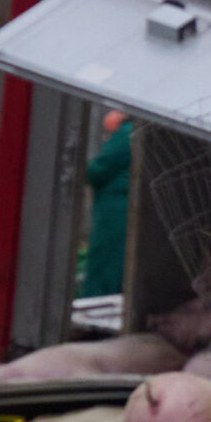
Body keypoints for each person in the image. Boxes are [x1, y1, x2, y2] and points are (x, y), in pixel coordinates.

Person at [80, 110, 132, 300]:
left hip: (114, 215)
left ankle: (95, 308)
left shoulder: (125, 135)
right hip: (120, 211)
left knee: (106, 264)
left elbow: (99, 169)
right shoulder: (132, 133)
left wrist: (78, 166)